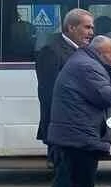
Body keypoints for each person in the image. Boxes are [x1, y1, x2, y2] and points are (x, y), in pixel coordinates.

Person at [47, 34, 111, 187]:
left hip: (77, 136)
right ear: (100, 52)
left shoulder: (83, 61)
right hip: (80, 139)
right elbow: (106, 96)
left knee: (74, 186)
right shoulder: (87, 66)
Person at [35, 9, 94, 150]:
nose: (91, 33)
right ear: (71, 27)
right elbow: (48, 93)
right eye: (87, 27)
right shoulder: (51, 51)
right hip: (61, 130)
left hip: (77, 128)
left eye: (92, 28)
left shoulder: (85, 51)